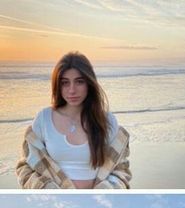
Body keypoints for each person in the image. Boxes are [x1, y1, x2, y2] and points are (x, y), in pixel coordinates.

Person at [17, 51, 131, 189]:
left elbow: (121, 169)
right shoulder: (44, 119)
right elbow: (25, 167)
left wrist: (106, 190)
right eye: (65, 83)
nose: (72, 90)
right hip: (57, 204)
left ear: (89, 83)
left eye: (79, 82)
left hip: (99, 202)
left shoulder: (107, 121)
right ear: (57, 86)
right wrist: (47, 189)